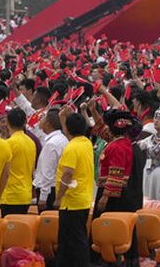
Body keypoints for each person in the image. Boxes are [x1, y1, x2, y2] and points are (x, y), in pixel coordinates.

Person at [55, 109, 95, 267]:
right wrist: (63, 117)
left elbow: (67, 175)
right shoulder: (86, 142)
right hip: (83, 199)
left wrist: (58, 197)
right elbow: (70, 130)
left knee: (74, 243)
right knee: (74, 240)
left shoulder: (71, 148)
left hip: (71, 202)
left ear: (67, 129)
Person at [97, 109, 146, 214]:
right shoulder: (123, 143)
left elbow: (116, 172)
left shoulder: (117, 146)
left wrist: (105, 196)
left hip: (112, 194)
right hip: (117, 191)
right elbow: (101, 132)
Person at [0, 107, 36, 216]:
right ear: (25, 122)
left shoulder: (8, 144)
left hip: (10, 195)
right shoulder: (31, 142)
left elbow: (3, 171)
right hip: (25, 194)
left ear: (7, 123)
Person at [34, 108, 68, 210]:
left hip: (49, 190)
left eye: (43, 118)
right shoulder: (62, 139)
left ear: (48, 124)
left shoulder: (52, 143)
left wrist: (43, 197)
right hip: (54, 188)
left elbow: (47, 172)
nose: (40, 120)